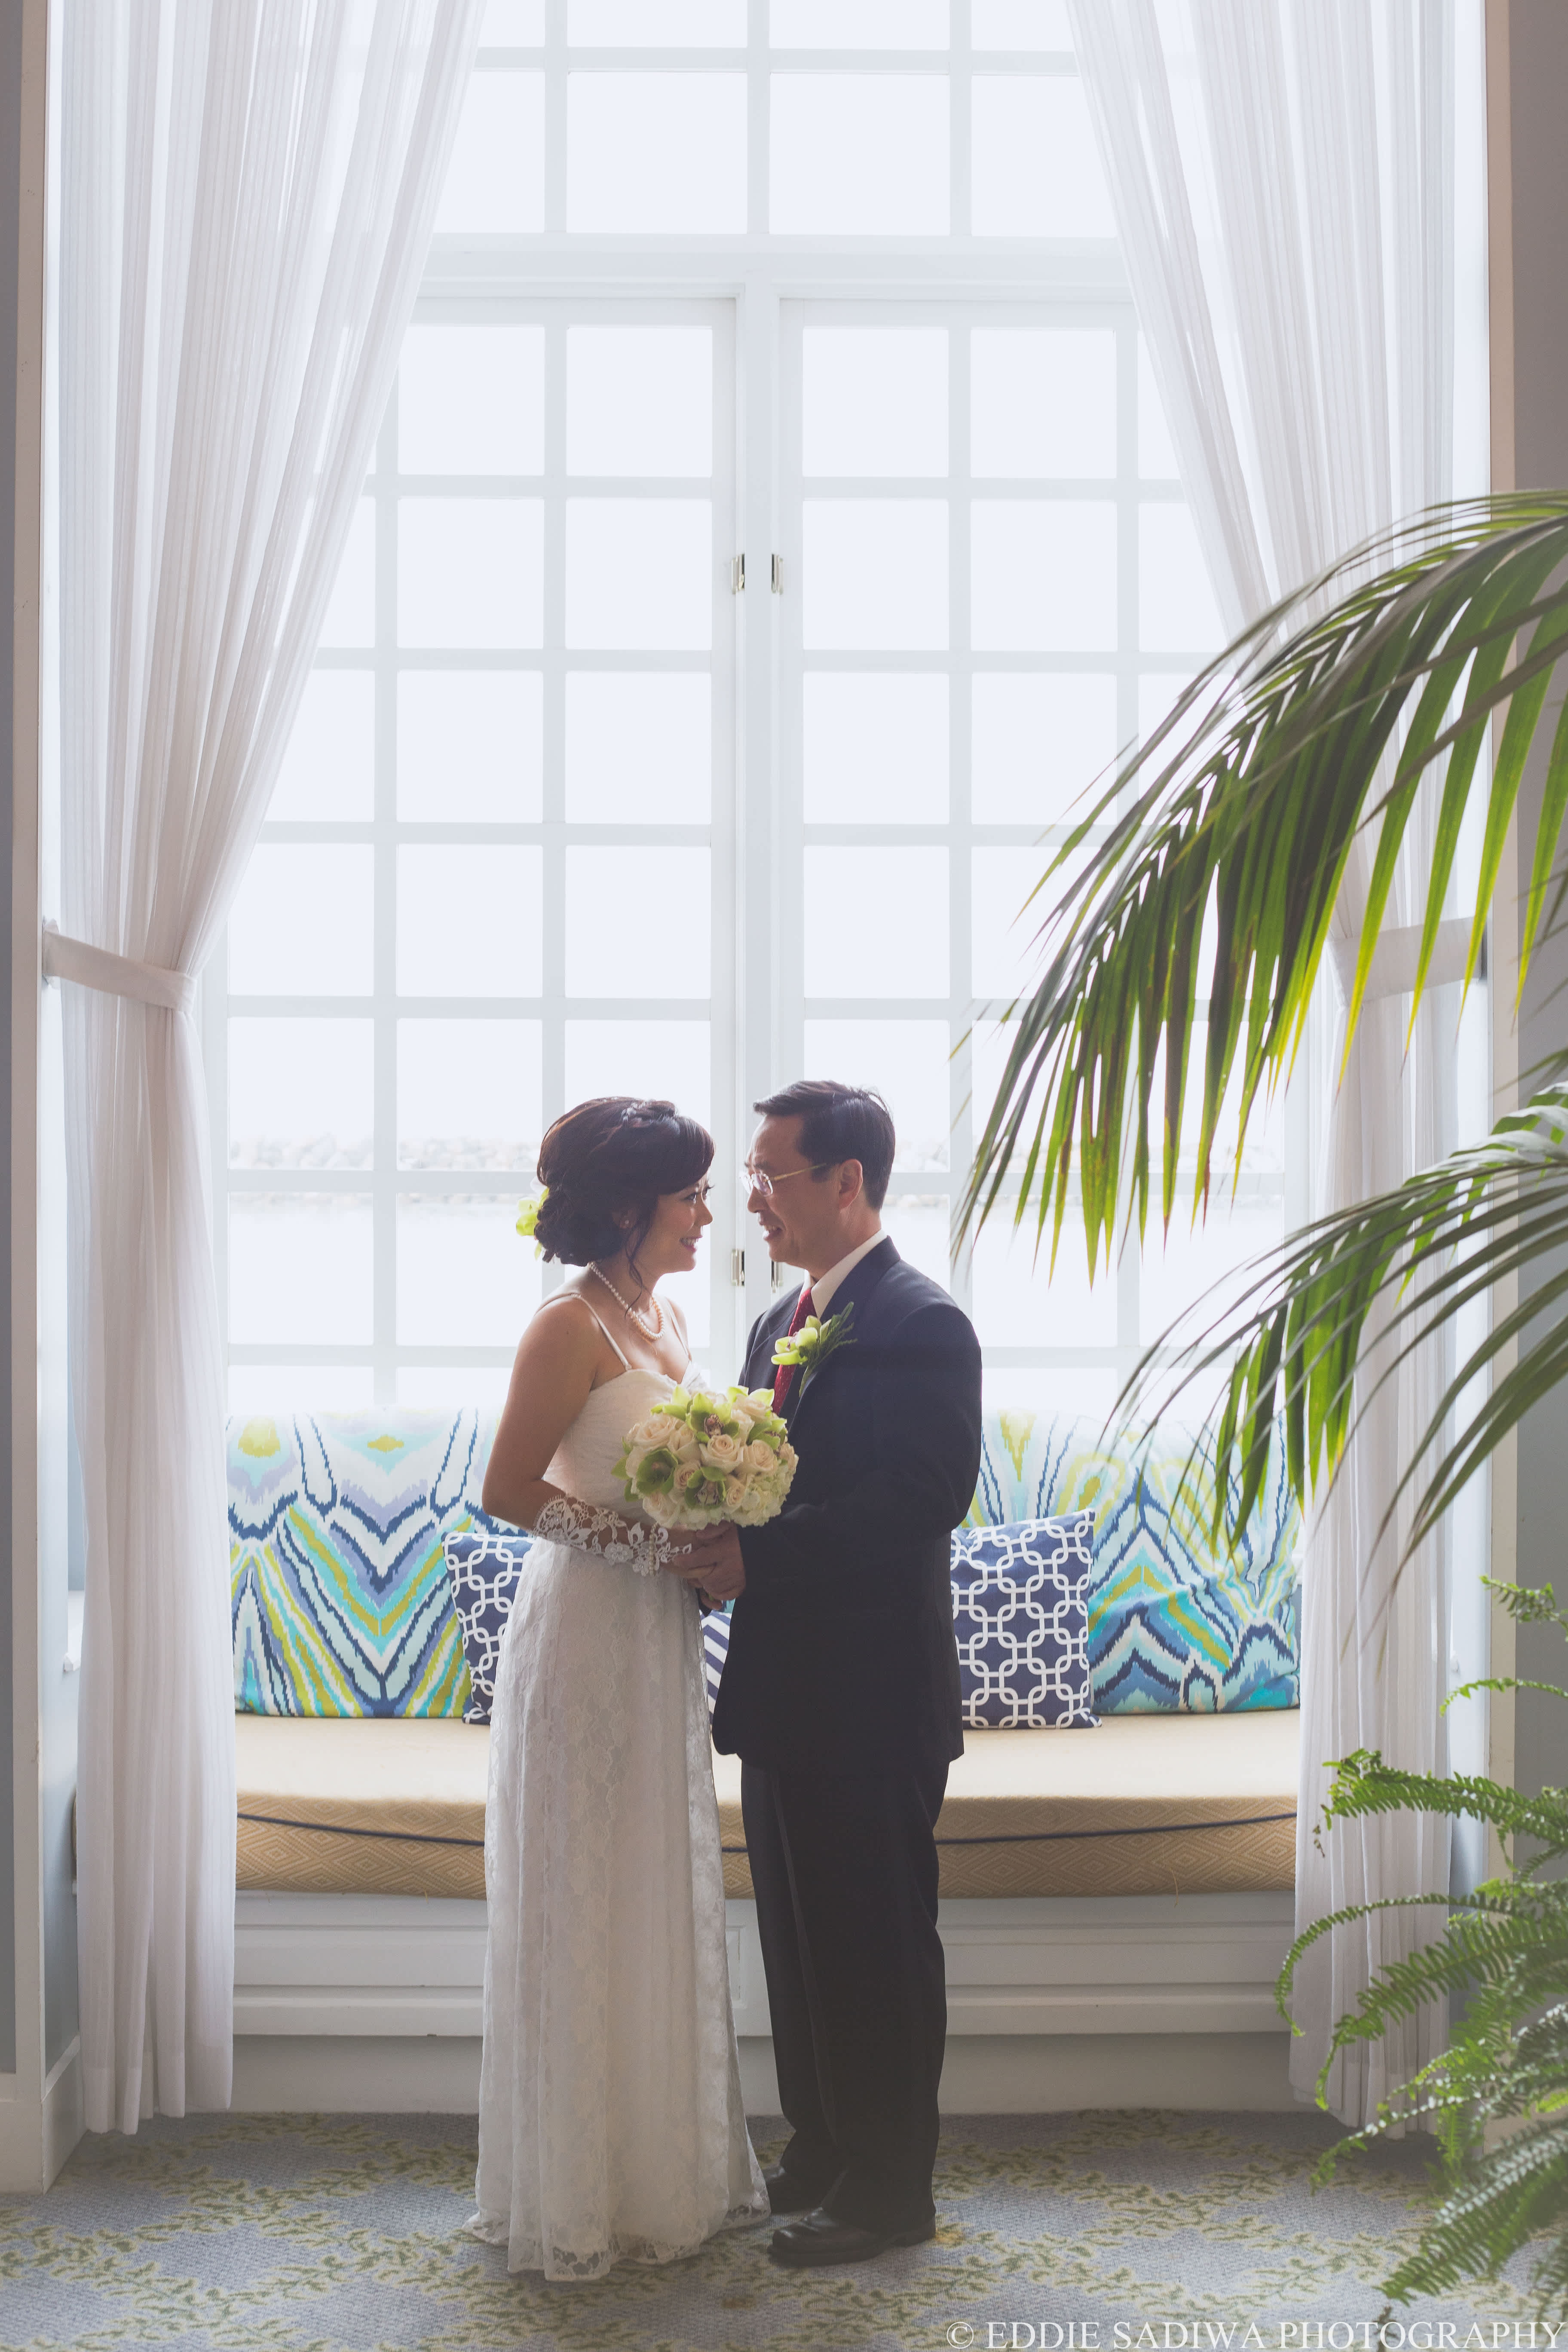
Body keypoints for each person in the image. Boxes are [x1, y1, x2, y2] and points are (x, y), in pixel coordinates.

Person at [675, 1080, 983, 2270]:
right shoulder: (777, 1320)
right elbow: (767, 1474)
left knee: (877, 1946)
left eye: (772, 1177)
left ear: (845, 1184)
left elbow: (921, 1499)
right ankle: (825, 2145)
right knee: (801, 1940)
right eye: (752, 1178)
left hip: (872, 1692)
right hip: (785, 1686)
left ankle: (893, 2189)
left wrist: (759, 1553)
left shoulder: (922, 1322)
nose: (752, 1200)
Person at [472, 1096, 766, 2282]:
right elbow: (504, 1491)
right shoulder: (567, 1326)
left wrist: (711, 1533)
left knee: (653, 1882)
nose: (710, 1213)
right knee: (587, 1892)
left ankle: (662, 2171)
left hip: (657, 1636)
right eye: (693, 1194)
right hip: (589, 1630)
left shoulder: (669, 1313)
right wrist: (657, 1552)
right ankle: (578, 2192)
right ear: (635, 1205)